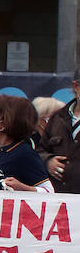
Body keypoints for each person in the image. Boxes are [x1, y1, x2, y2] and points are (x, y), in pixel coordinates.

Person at [0, 95, 53, 194]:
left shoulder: (24, 153)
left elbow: (49, 192)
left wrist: (23, 188)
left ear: (6, 121)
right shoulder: (0, 149)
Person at [39, 66, 80, 194]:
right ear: (76, 86)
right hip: (59, 200)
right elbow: (40, 151)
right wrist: (48, 161)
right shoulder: (58, 117)